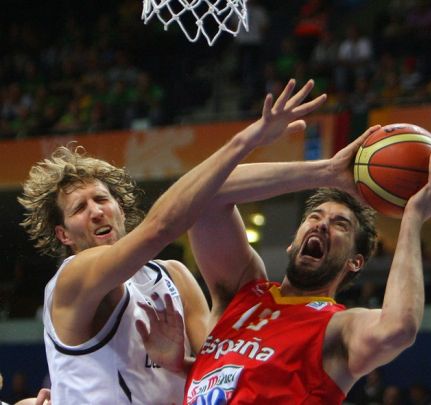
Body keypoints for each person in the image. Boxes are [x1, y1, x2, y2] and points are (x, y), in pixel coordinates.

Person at [18, 79, 327, 404]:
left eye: (101, 199)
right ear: (63, 235)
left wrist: (179, 364)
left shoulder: (174, 278)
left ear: (120, 210)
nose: (96, 212)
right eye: (80, 208)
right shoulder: (72, 279)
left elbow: (220, 372)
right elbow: (160, 228)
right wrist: (247, 140)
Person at [142, 120, 431, 402]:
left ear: (355, 262)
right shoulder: (244, 292)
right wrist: (325, 171)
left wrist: (412, 219)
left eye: (340, 225)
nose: (321, 224)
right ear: (293, 243)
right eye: (315, 217)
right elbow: (207, 194)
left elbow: (398, 329)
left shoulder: (339, 328)